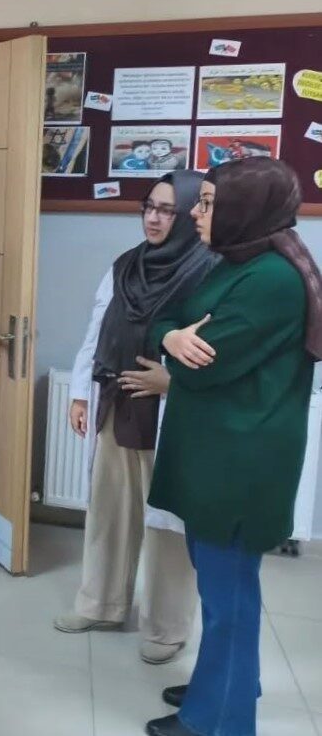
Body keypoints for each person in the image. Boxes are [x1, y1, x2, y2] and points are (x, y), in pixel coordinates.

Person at [145, 157, 321, 736]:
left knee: (229, 598)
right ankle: (226, 681)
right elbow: (165, 319)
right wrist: (172, 336)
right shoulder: (239, 261)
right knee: (223, 587)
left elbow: (203, 365)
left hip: (240, 463)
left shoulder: (272, 279)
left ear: (246, 209)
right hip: (220, 454)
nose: (195, 213)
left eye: (208, 203)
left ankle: (219, 717)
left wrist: (173, 344)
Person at [53, 172, 215, 665]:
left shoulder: (210, 271)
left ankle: (167, 628)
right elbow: (97, 329)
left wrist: (172, 383)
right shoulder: (126, 266)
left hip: (169, 415)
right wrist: (80, 394)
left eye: (167, 209)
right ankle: (101, 604)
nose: (153, 218)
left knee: (167, 528)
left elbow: (215, 352)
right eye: (149, 206)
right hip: (115, 403)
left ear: (187, 214)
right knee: (109, 511)